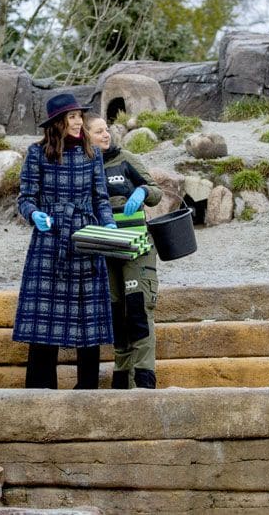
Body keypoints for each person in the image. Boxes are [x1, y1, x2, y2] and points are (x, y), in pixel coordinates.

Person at [13, 93, 117, 389]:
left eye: (79, 117)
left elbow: (101, 198)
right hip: (49, 242)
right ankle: (40, 391)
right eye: (71, 117)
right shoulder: (36, 153)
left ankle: (87, 390)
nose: (77, 122)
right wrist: (34, 215)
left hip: (85, 238)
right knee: (43, 321)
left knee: (89, 319)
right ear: (57, 123)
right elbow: (25, 198)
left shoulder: (92, 153)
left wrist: (107, 224)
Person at [85, 114, 163, 389]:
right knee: (116, 316)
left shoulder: (126, 159)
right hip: (106, 250)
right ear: (86, 136)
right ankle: (121, 383)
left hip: (137, 248)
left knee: (138, 312)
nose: (106, 135)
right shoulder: (84, 167)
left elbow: (156, 191)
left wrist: (141, 191)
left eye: (106, 130)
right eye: (98, 132)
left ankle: (143, 383)